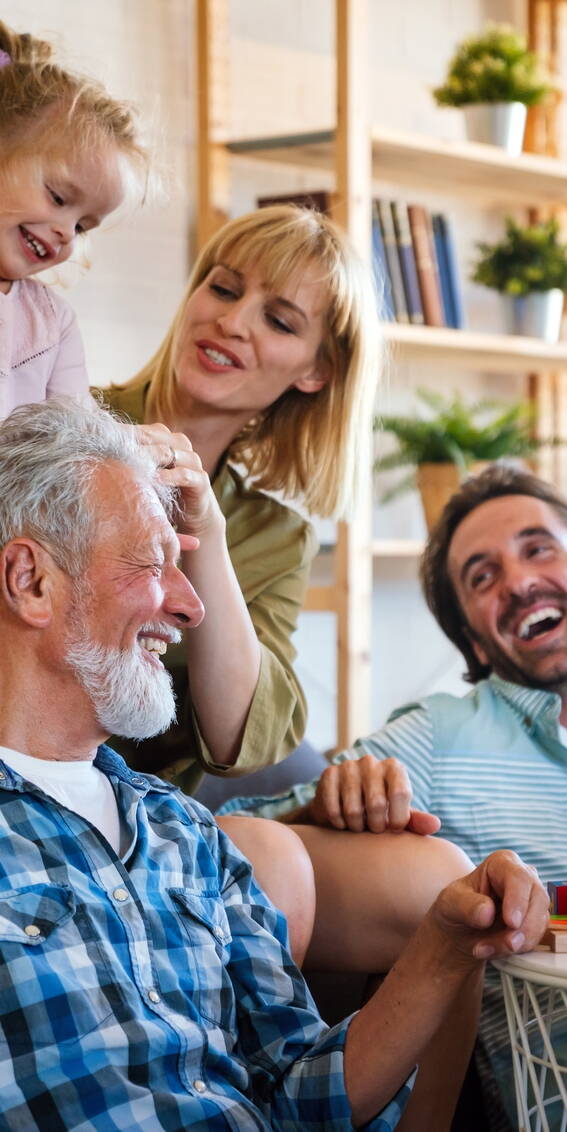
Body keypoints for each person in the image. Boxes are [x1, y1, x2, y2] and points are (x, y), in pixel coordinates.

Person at [0, 398, 548, 1131]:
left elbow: (302, 1092)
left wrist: (445, 941)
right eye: (151, 563)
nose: (192, 609)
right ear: (31, 581)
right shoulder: (442, 732)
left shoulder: (182, 832)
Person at [224, 464, 567, 1129]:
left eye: (538, 548)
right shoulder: (440, 735)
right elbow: (230, 842)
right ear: (472, 638)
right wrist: (325, 807)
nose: (520, 582)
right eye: (482, 576)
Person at [102, 203, 380, 795]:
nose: (232, 321)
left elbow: (236, 742)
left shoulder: (279, 537)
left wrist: (210, 535)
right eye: (223, 288)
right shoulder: (64, 419)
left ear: (317, 371)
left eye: (279, 321)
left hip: (142, 817)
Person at [0, 18, 149, 417]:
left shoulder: (52, 322)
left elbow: (72, 440)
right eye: (58, 197)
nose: (65, 232)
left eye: (82, 227)